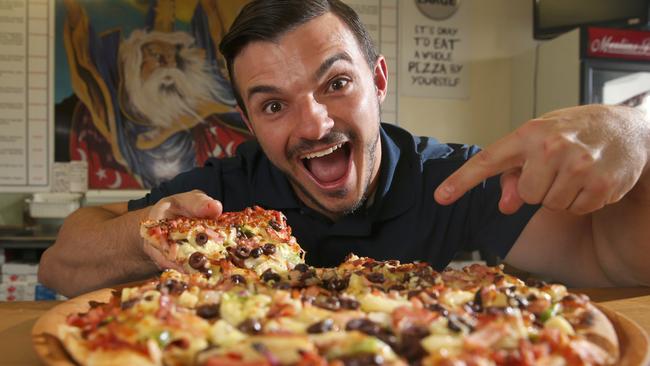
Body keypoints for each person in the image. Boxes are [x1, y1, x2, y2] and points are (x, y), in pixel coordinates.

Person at [39, 0, 650, 298]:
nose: (311, 125)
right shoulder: (218, 202)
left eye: (335, 83)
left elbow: (618, 262)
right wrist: (150, 234)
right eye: (273, 104)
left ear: (378, 80)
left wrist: (639, 136)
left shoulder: (454, 179)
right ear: (250, 120)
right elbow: (60, 265)